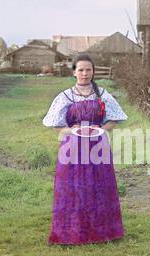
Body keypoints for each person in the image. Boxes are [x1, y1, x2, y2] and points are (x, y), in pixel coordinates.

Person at [42, 54, 128, 245]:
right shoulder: (65, 96)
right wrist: (72, 130)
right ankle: (71, 234)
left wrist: (100, 130)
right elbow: (57, 126)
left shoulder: (102, 94)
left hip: (98, 146)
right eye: (80, 70)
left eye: (88, 69)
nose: (85, 73)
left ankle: (102, 232)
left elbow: (114, 119)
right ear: (74, 72)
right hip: (72, 148)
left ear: (93, 72)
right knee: (73, 188)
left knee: (99, 187)